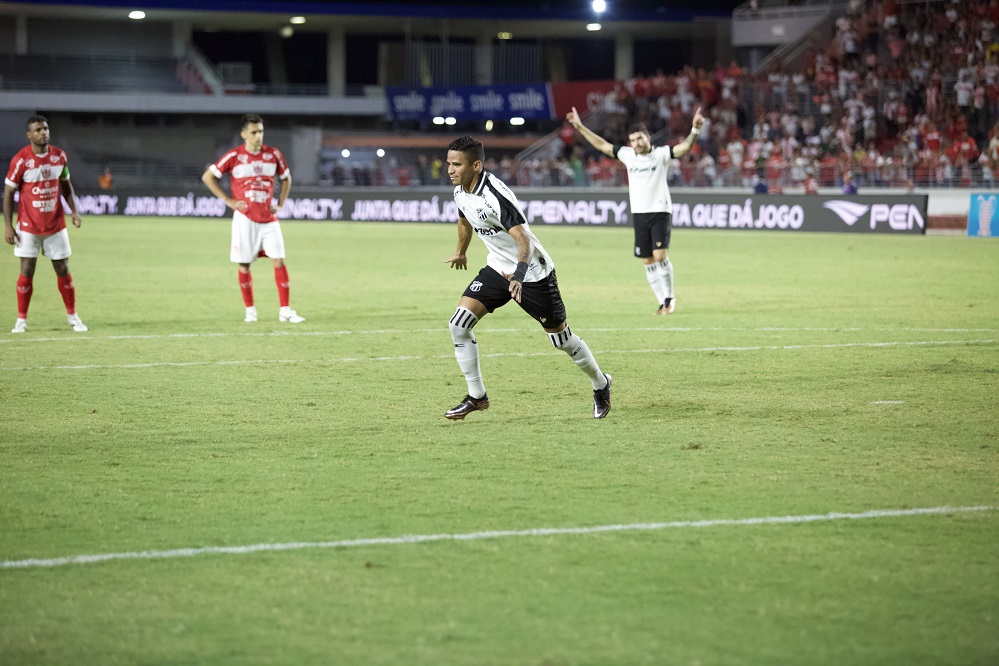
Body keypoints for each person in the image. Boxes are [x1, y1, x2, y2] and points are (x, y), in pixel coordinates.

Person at [442, 136, 612, 420]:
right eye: (448, 163)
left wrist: (519, 275)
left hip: (532, 273)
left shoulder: (494, 196)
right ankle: (477, 396)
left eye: (456, 164)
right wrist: (460, 251)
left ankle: (601, 383)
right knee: (459, 324)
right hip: (498, 269)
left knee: (562, 340)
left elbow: (524, 241)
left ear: (476, 165)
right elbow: (464, 220)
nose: (450, 169)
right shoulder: (460, 191)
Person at [567, 105, 704, 315]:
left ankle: (669, 298)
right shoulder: (628, 155)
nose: (637, 143)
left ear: (648, 137)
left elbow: (683, 148)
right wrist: (580, 126)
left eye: (640, 138)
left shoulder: (660, 154)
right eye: (633, 140)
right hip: (639, 213)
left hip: (660, 210)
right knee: (647, 260)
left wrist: (694, 130)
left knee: (660, 256)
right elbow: (603, 145)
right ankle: (662, 303)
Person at [201, 113, 304, 324]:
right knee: (245, 265)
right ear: (244, 134)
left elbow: (286, 179)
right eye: (254, 132)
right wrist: (229, 201)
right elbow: (208, 177)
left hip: (268, 218)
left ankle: (285, 310)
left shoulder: (273, 154)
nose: (259, 136)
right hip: (245, 218)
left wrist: (281, 203)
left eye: (261, 131)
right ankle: (250, 311)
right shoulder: (234, 156)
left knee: (279, 260)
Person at [4, 115, 87, 334]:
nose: (44, 132)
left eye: (46, 128)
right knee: (27, 270)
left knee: (63, 269)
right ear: (29, 134)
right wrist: (8, 225)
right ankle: (21, 320)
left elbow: (66, 186)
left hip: (55, 225)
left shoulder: (60, 156)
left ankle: (73, 316)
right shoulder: (21, 160)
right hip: (28, 226)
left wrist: (74, 211)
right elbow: (9, 192)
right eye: (38, 129)